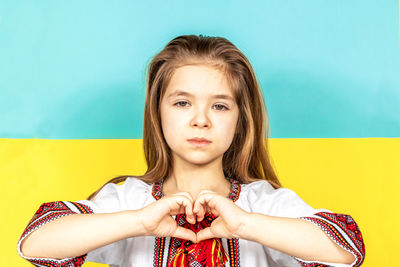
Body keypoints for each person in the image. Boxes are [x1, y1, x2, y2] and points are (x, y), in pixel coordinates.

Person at [17, 34, 365, 267]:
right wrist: (138, 221)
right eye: (183, 103)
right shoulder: (129, 201)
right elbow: (35, 244)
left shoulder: (263, 203)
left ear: (241, 121)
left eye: (220, 106)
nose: (201, 120)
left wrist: (246, 224)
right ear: (158, 113)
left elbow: (347, 251)